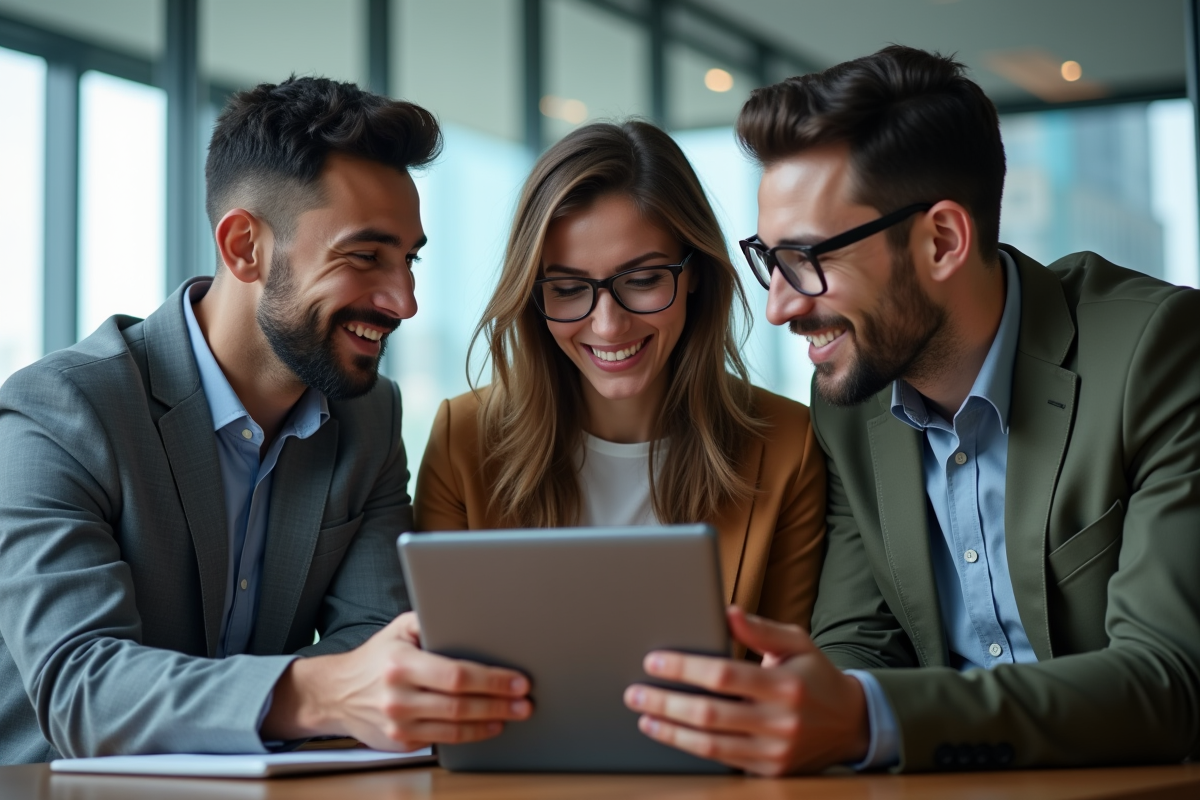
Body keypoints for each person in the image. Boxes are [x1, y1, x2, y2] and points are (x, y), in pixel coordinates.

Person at [622, 46, 1200, 774]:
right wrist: (808, 698)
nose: (778, 306)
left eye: (806, 259)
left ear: (942, 241)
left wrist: (869, 716)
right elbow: (861, 642)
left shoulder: (1159, 353)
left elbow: (1170, 683)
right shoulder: (848, 402)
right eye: (769, 260)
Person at [0, 77, 531, 764]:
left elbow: (375, 637)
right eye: (366, 257)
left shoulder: (368, 416)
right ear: (244, 246)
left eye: (408, 259)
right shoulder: (61, 410)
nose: (404, 301)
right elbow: (82, 689)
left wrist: (336, 687)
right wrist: (317, 693)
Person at [414, 122, 826, 655]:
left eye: (644, 279)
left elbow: (789, 673)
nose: (608, 326)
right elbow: (437, 668)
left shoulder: (788, 442)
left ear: (695, 272)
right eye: (566, 289)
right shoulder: (463, 439)